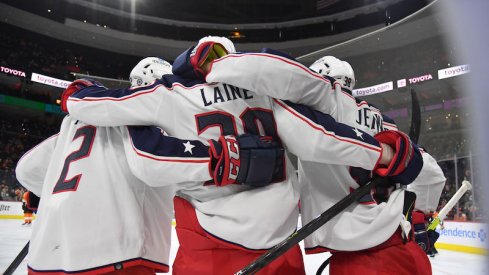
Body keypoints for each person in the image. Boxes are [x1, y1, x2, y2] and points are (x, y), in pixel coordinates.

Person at [61, 37, 419, 275]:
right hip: (281, 253)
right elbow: (316, 137)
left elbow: (99, 109)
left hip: (208, 256)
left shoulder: (168, 93)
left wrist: (77, 92)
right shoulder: (267, 93)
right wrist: (385, 153)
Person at [15, 57, 281, 275]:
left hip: (44, 257)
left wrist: (75, 198)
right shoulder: (146, 119)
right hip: (115, 254)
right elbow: (151, 160)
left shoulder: (71, 125)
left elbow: (25, 170)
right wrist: (231, 158)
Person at [192, 50, 444, 274]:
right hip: (407, 250)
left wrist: (217, 68)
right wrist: (420, 216)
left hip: (363, 262)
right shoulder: (385, 121)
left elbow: (304, 132)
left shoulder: (327, 102)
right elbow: (431, 172)